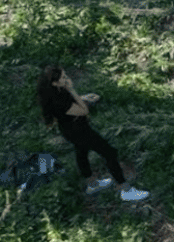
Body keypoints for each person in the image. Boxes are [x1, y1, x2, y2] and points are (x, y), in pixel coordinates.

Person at [36, 66, 149, 202]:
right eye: (64, 78)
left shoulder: (56, 91)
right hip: (78, 131)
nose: (67, 79)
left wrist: (84, 97)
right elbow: (84, 111)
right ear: (55, 83)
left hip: (71, 129)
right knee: (109, 152)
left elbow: (72, 102)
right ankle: (124, 189)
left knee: (81, 152)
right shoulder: (58, 101)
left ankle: (92, 184)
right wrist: (73, 90)